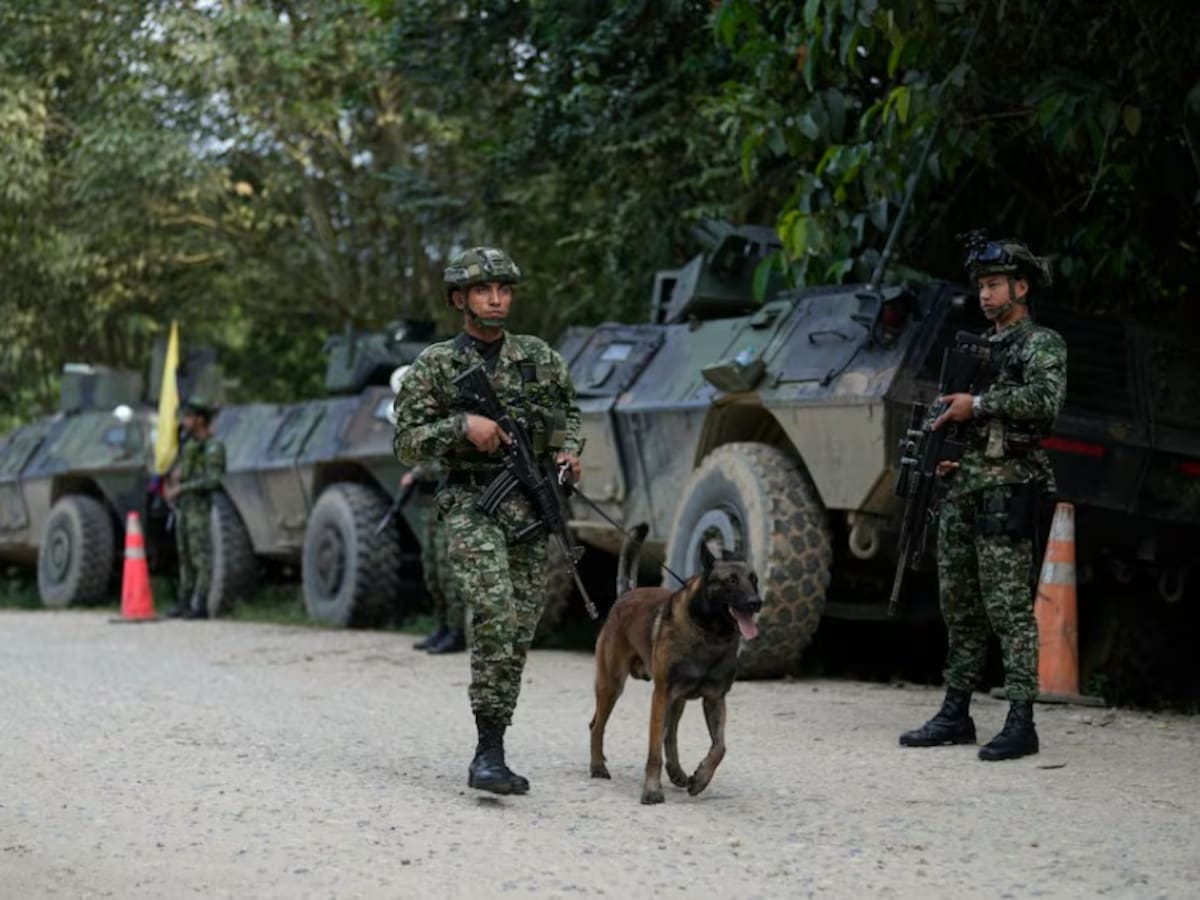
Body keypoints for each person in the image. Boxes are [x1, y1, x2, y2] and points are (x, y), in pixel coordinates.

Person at [393, 246, 582, 795]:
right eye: (483, 291)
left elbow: (570, 412)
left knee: (520, 628)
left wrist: (570, 450)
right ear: (461, 299)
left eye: (503, 290)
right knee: (496, 612)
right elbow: (405, 442)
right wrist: (460, 428)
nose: (496, 299)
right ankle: (487, 754)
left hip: (530, 507)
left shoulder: (539, 357)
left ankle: (494, 742)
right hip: (472, 505)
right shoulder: (436, 365)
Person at [899, 235, 1066, 761]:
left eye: (995, 285)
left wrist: (980, 404)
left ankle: (1021, 720)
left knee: (1009, 609)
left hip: (1009, 488)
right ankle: (956, 712)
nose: (986, 296)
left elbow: (1044, 402)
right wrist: (952, 453)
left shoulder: (1040, 343)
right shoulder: (980, 347)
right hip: (966, 486)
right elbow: (967, 420)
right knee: (961, 607)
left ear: (1021, 286)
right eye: (982, 288)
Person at [163, 395, 227, 620]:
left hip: (199, 508)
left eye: (189, 417)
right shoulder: (190, 446)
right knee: (186, 556)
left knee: (201, 557)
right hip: (185, 508)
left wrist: (183, 488)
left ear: (200, 420)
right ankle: (184, 600)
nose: (185, 422)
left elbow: (213, 480)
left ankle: (201, 604)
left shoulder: (213, 447)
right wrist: (174, 482)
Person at [407, 460, 466, 654]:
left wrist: (417, 472)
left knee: (447, 574)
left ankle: (456, 633)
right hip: (434, 505)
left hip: (453, 506)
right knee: (432, 571)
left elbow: (446, 463)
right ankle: (443, 627)